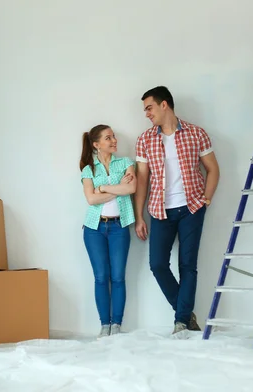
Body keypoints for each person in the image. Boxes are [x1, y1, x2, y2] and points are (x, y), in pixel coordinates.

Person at [133, 86, 220, 335]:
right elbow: (142, 181)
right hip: (160, 211)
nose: (147, 113)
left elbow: (213, 169)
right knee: (157, 264)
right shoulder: (145, 139)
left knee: (187, 265)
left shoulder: (196, 134)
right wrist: (139, 216)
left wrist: (207, 198)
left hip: (191, 207)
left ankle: (180, 322)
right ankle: (185, 314)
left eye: (149, 107)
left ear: (164, 105)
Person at [80, 124, 137, 338]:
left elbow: (131, 188)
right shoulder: (88, 169)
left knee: (119, 277)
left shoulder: (125, 163)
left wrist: (103, 188)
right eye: (108, 138)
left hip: (118, 227)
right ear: (96, 144)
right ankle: (105, 325)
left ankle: (117, 325)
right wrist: (117, 188)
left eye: (114, 136)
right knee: (101, 277)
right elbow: (91, 199)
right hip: (94, 228)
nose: (114, 140)